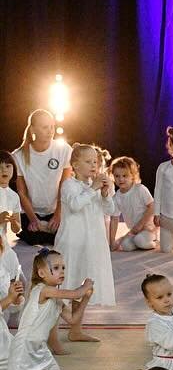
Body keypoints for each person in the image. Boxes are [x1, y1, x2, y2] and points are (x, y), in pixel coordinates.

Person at [0, 250, 90, 370]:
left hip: (40, 348)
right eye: (56, 268)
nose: (62, 271)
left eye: (63, 267)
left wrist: (86, 299)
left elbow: (73, 319)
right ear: (41, 273)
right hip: (23, 347)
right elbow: (75, 293)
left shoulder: (56, 296)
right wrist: (85, 287)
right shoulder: (43, 290)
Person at [54, 143, 115, 339]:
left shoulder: (94, 186)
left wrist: (105, 195)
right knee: (67, 283)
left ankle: (76, 330)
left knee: (83, 282)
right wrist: (94, 189)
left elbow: (110, 211)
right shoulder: (69, 184)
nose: (93, 165)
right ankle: (50, 333)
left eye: (95, 162)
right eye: (88, 162)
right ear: (75, 165)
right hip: (72, 241)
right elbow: (74, 205)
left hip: (92, 241)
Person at [13, 109, 72, 246]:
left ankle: (46, 231)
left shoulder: (64, 150)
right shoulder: (18, 155)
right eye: (45, 127)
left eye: (52, 126)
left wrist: (58, 215)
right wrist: (33, 219)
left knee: (64, 237)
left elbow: (65, 186)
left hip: (56, 210)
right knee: (33, 238)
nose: (50, 131)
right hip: (32, 212)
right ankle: (38, 230)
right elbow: (21, 192)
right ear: (33, 130)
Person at [108, 155, 156, 251]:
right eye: (117, 176)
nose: (121, 179)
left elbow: (152, 207)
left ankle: (155, 240)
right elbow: (114, 219)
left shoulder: (140, 189)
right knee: (126, 246)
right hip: (133, 231)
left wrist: (140, 225)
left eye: (124, 176)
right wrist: (112, 241)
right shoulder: (116, 197)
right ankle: (128, 239)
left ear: (133, 176)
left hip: (148, 228)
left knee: (140, 241)